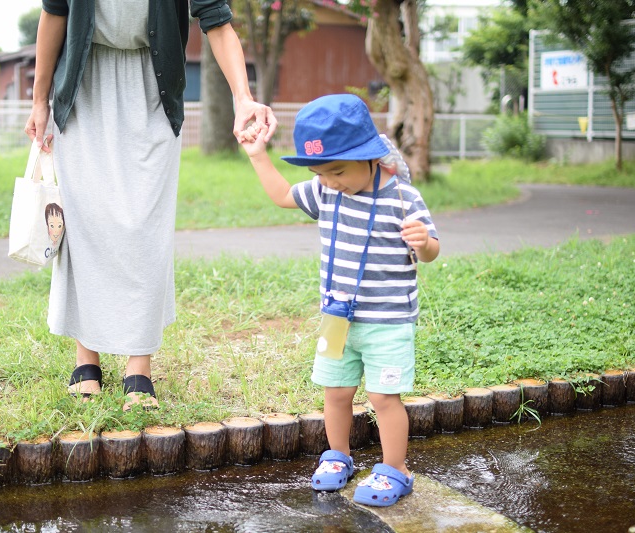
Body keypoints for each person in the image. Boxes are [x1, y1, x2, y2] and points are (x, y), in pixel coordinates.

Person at [25, 0, 276, 409]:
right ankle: (86, 357)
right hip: (84, 85)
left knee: (145, 225)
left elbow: (217, 19)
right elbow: (55, 13)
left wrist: (242, 97)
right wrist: (40, 100)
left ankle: (138, 365)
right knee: (87, 221)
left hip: (153, 85)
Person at [239, 94, 439, 507]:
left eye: (337, 171)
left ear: (368, 156)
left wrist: (425, 242)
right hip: (337, 318)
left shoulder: (403, 198)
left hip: (387, 320)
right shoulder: (326, 191)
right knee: (336, 391)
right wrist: (258, 155)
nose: (328, 181)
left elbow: (431, 249)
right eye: (320, 173)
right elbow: (281, 195)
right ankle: (339, 458)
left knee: (384, 399)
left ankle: (395, 469)